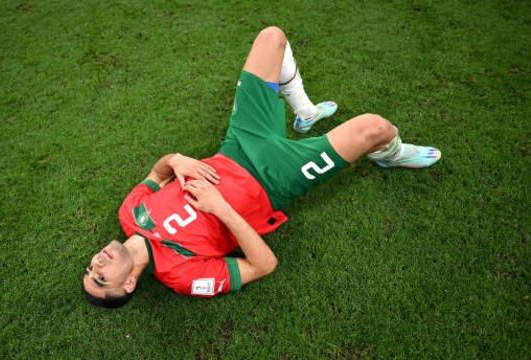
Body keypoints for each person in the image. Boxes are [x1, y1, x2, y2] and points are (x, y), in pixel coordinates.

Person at [82, 26, 441, 308]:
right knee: (376, 128)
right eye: (101, 279)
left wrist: (174, 160)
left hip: (237, 145)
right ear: (128, 283)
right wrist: (220, 208)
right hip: (273, 181)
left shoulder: (130, 213)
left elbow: (158, 173)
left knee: (272, 38)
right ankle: (388, 154)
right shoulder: (182, 276)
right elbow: (264, 265)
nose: (97, 265)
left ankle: (305, 112)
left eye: (90, 269)